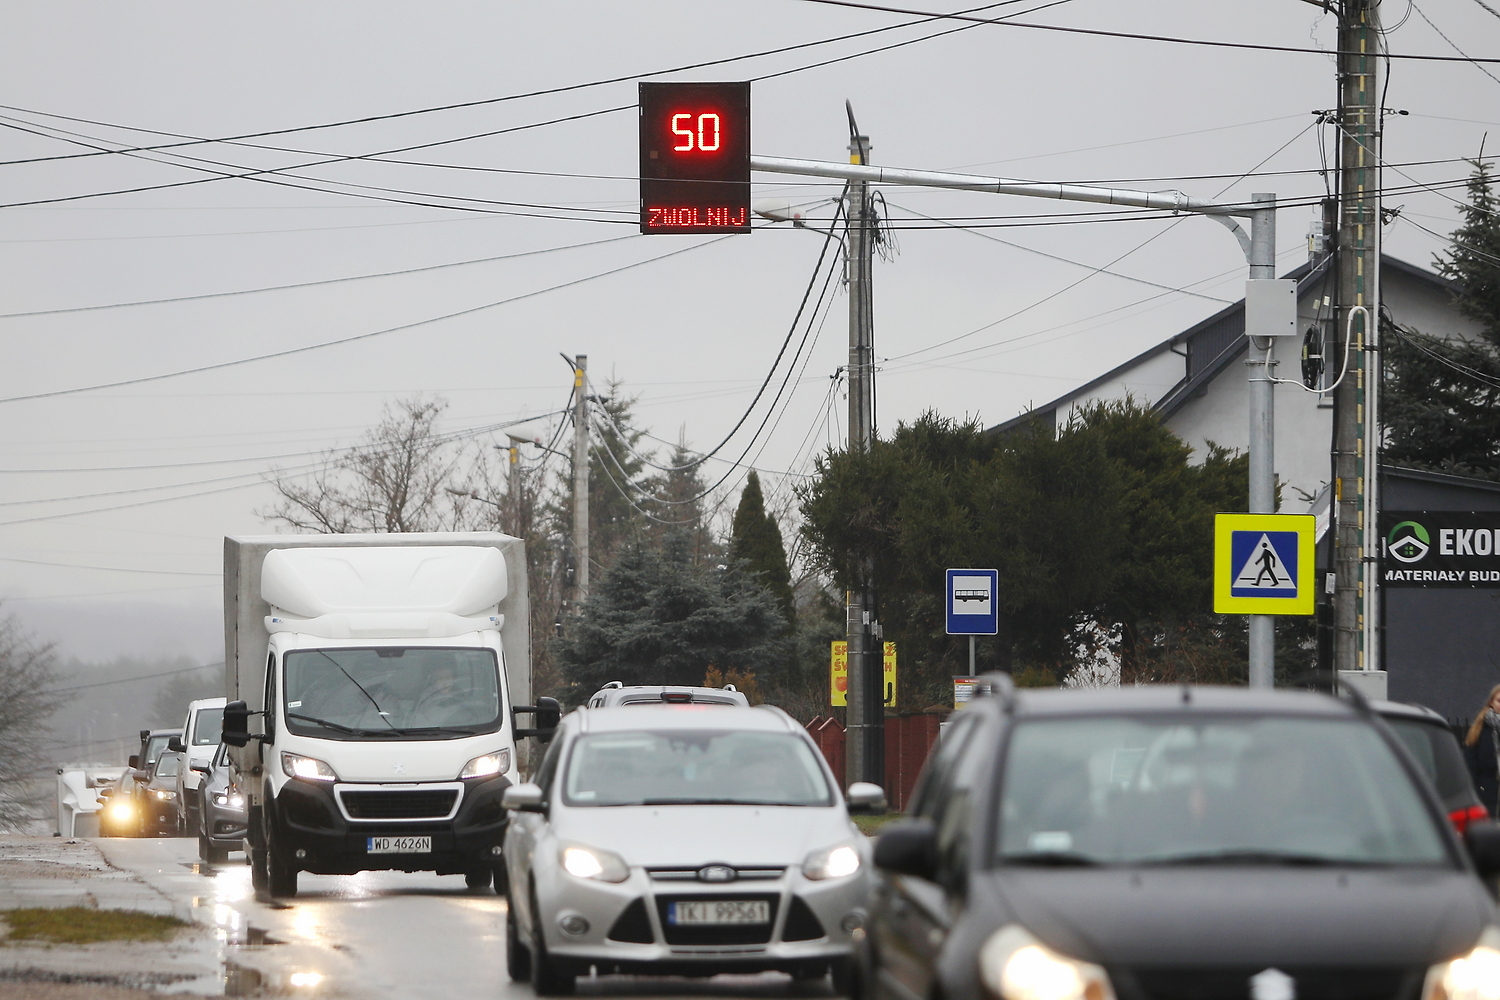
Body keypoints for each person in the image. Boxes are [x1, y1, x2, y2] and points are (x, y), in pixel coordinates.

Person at [1463, 683, 1500, 817]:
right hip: (1485, 797)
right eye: (1499, 701)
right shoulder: (1479, 729)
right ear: (1491, 702)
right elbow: (1470, 766)